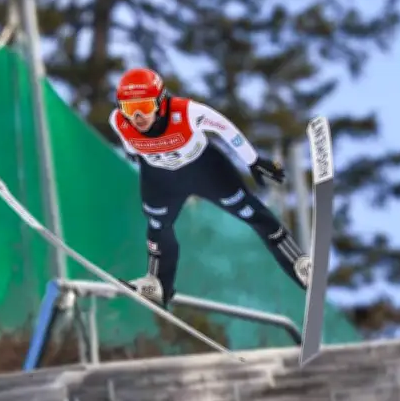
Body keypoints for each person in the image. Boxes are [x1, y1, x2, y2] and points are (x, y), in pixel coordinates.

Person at [109, 67, 311, 308]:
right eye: (130, 109)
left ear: (161, 103)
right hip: (161, 178)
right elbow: (129, 144)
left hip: (204, 171)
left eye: (144, 106)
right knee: (157, 226)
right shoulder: (119, 121)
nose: (137, 117)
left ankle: (298, 263)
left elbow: (225, 128)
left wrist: (253, 161)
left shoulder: (187, 111)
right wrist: (135, 154)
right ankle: (158, 284)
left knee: (250, 212)